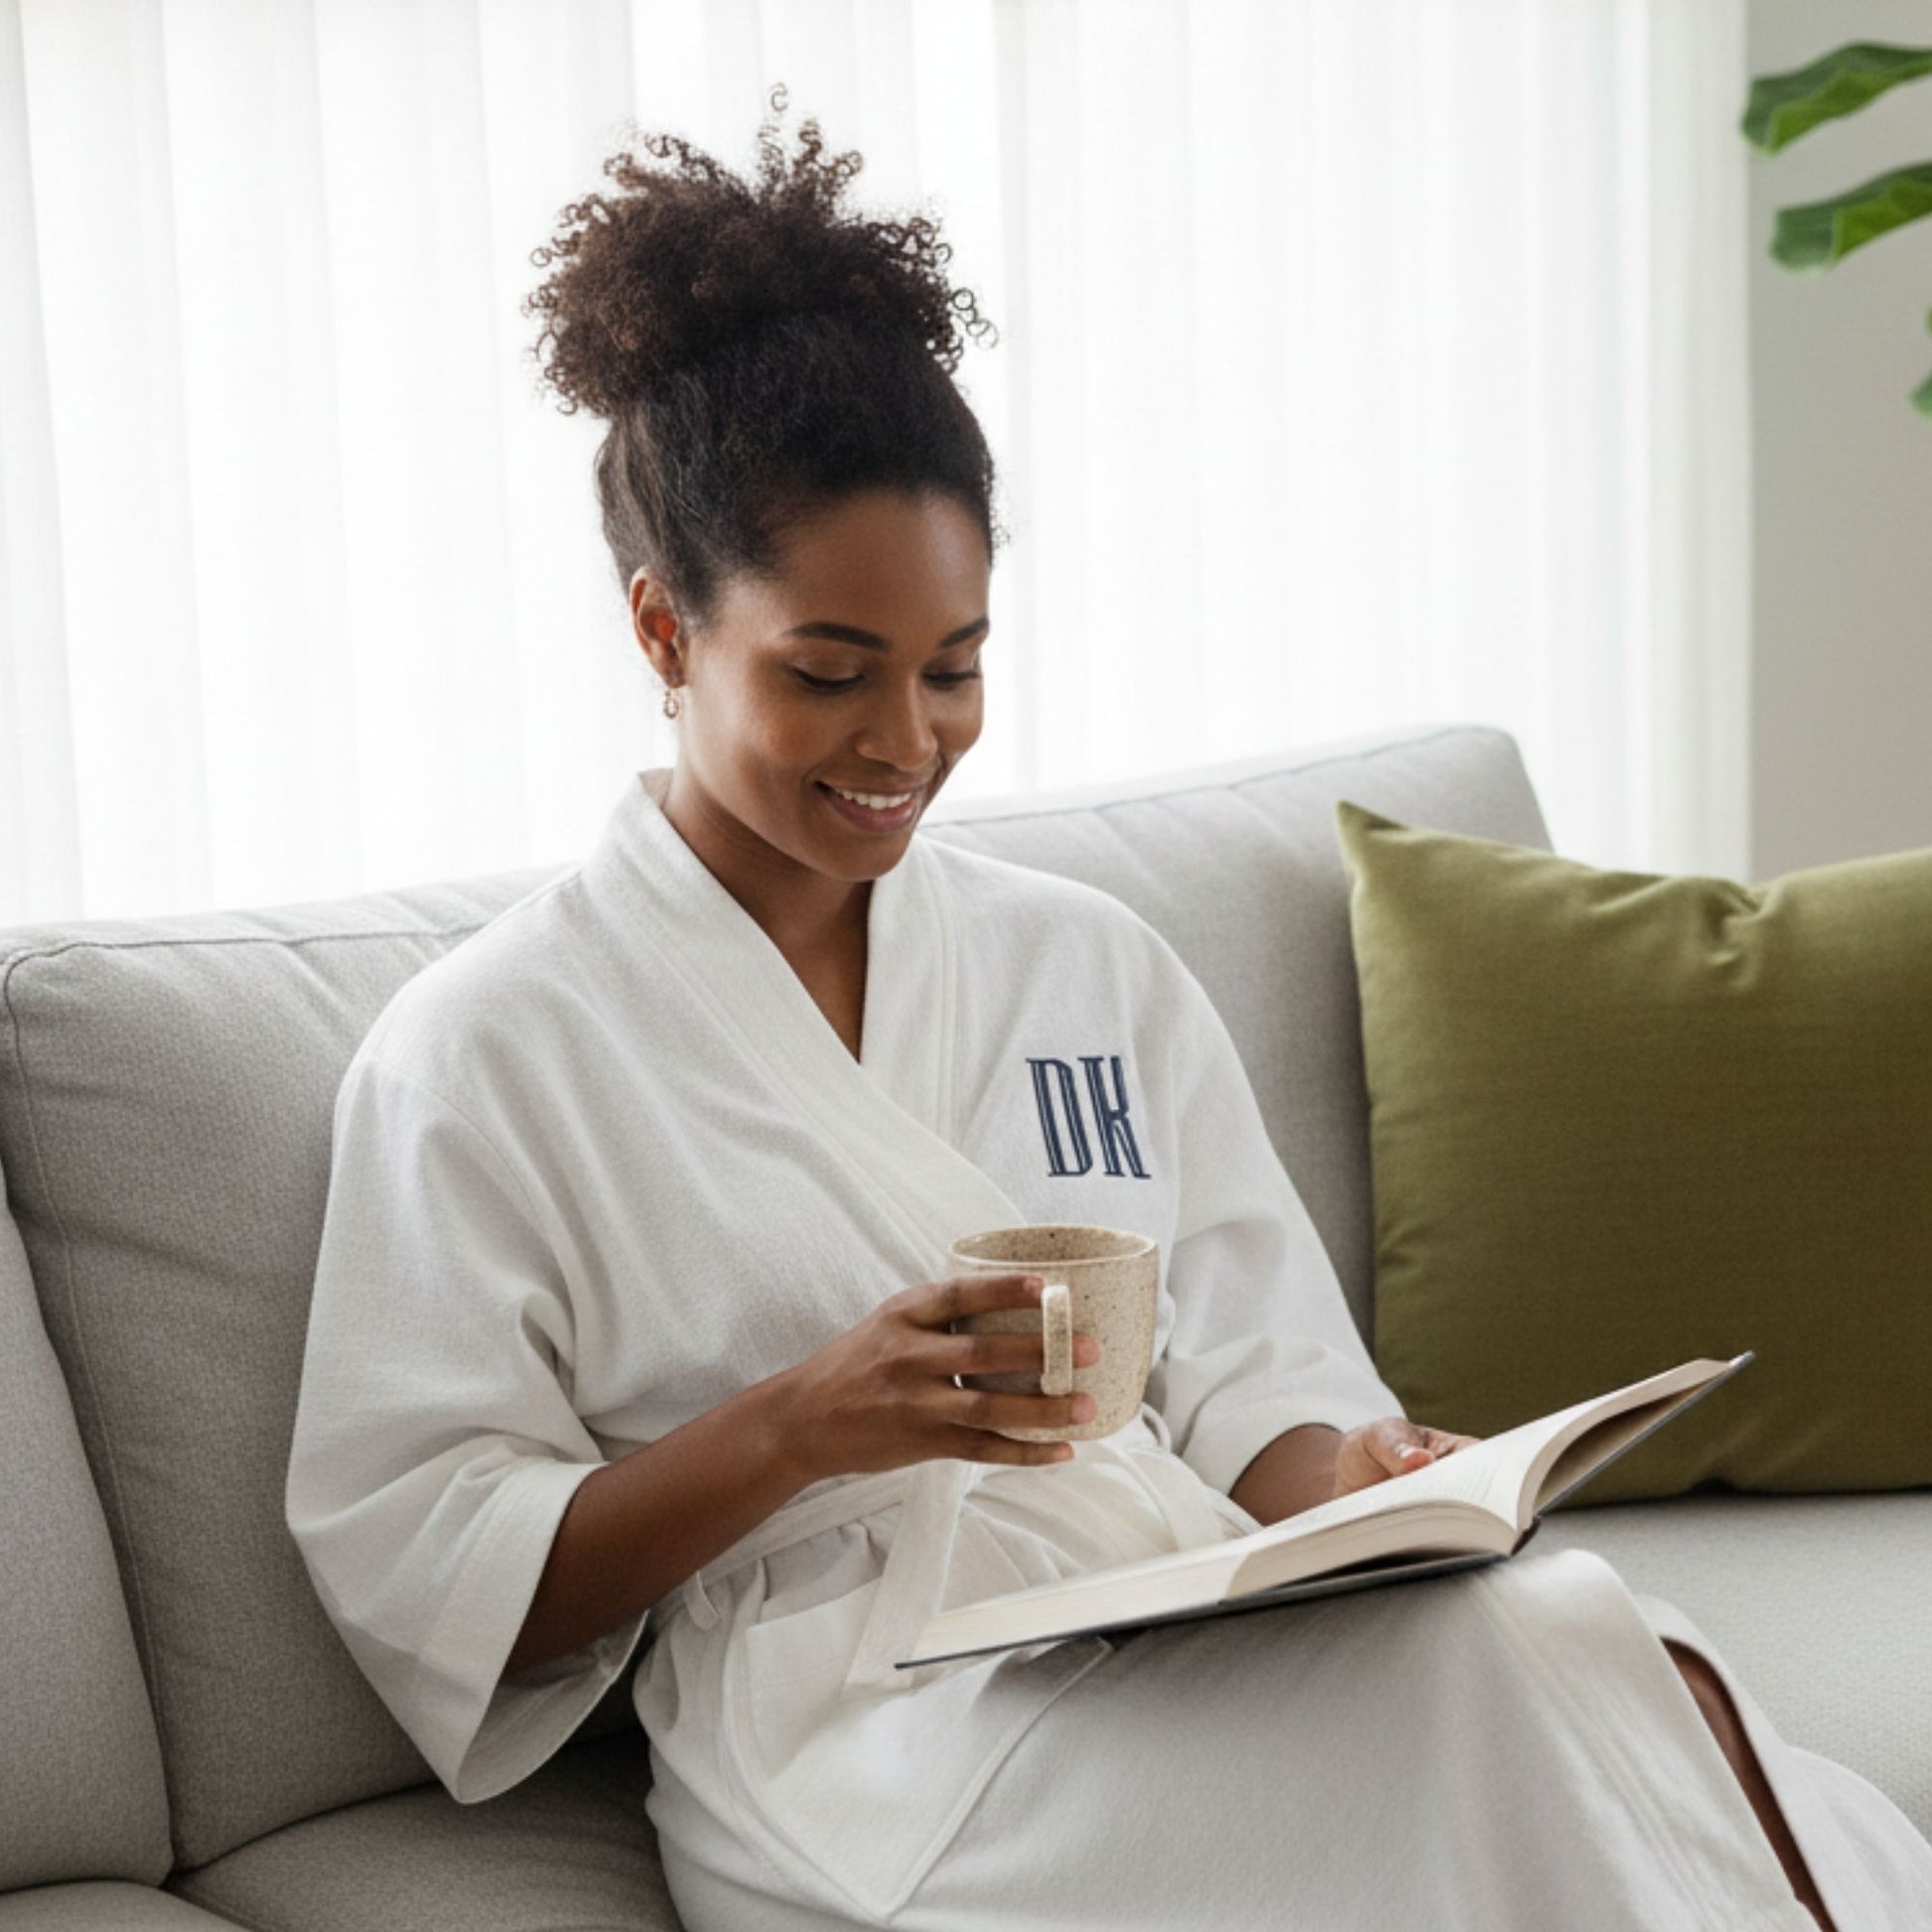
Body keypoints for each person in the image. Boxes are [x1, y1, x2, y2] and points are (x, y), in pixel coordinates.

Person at [285, 84, 1932, 1932]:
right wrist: (804, 1421)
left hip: (1165, 1608)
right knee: (1516, 1686)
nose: (904, 743)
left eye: (956, 667)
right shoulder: (488, 1051)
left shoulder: (1085, 964)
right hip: (851, 1732)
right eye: (829, 672)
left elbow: (1259, 1378)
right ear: (666, 631)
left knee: (1561, 1626)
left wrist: (1375, 1476)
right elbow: (431, 1560)